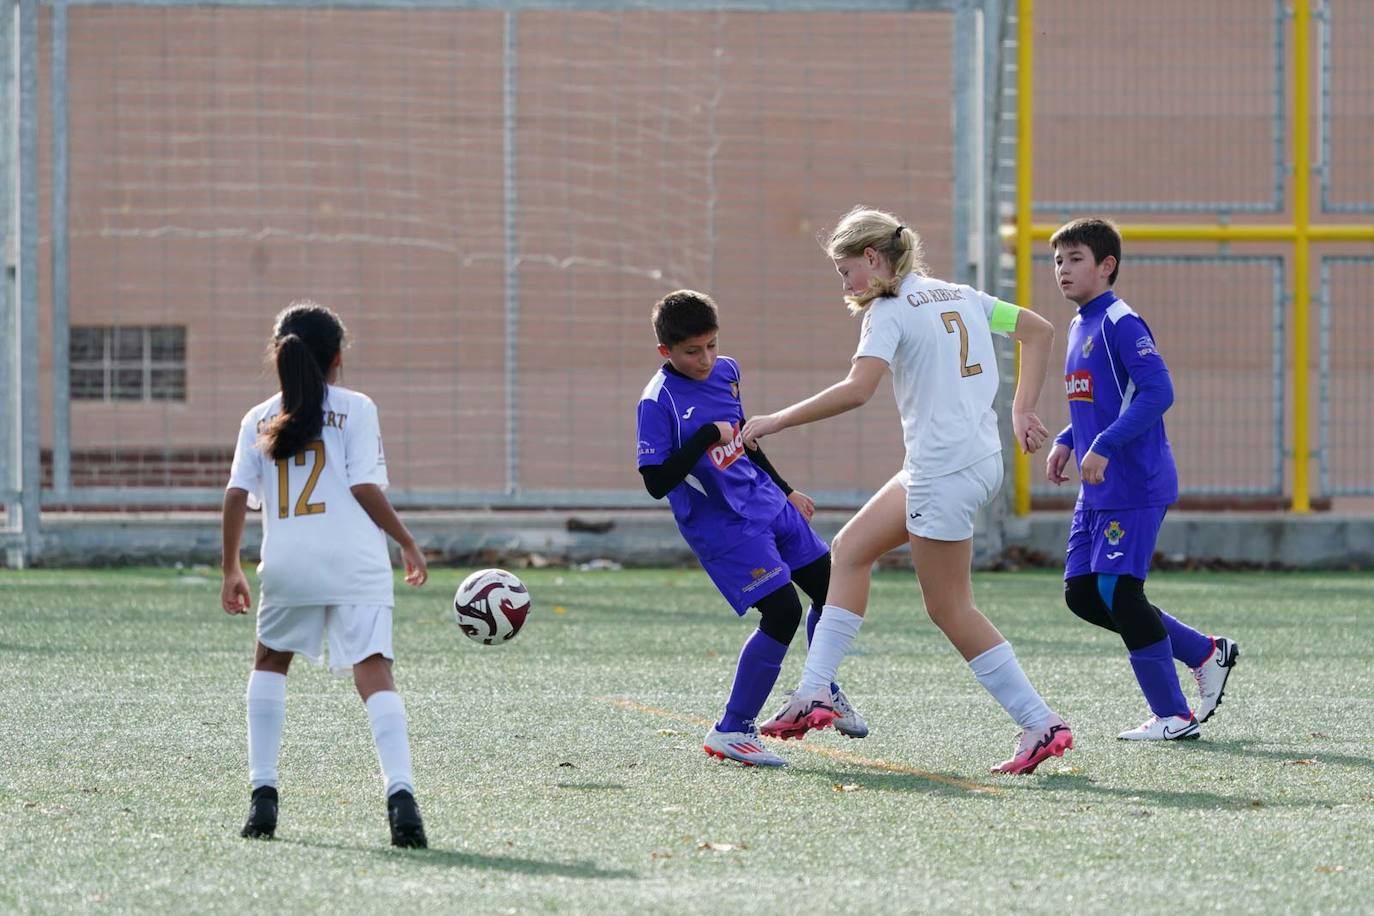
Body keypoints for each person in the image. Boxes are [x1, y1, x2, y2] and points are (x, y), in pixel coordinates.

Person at [742, 205, 1072, 775]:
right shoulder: (960, 294)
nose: (845, 285)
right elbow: (1040, 331)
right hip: (971, 462)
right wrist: (1020, 409)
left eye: (846, 271)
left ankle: (1040, 723)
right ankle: (815, 690)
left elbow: (856, 389)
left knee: (950, 608)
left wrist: (775, 420)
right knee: (849, 550)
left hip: (943, 473)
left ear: (873, 259)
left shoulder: (887, 309)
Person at [221, 301, 431, 846]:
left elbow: (236, 495)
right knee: (374, 671)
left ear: (280, 354)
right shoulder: (356, 408)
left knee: (270, 663)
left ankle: (262, 798)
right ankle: (401, 798)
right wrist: (406, 542)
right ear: (337, 357)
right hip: (356, 564)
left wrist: (231, 569)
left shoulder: (257, 417)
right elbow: (364, 487)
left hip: (289, 566)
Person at [636, 289, 868, 768]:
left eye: (712, 346)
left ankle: (818, 687)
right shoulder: (657, 402)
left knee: (834, 589)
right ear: (666, 352)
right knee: (782, 613)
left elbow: (744, 439)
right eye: (692, 352)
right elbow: (657, 482)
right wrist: (704, 436)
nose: (706, 360)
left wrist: (785, 489)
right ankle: (732, 729)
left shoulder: (727, 371)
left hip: (766, 503)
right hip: (723, 527)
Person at [1046, 217, 1239, 741]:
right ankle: (1205, 652)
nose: (1062, 269)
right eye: (1058, 260)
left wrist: (1103, 445)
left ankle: (1173, 716)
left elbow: (1157, 392)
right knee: (1084, 595)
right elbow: (1104, 397)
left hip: (1134, 482)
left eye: (1075, 259)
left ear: (1107, 266)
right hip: (1097, 489)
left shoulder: (1121, 322)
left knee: (1119, 592)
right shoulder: (1080, 323)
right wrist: (1068, 439)